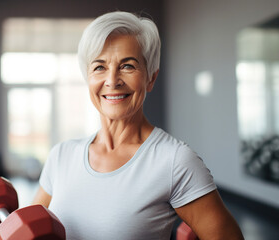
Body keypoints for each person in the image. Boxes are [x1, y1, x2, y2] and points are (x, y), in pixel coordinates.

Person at [33, 11, 244, 240]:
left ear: (151, 78)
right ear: (88, 78)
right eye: (99, 67)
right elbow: (28, 230)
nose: (112, 81)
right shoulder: (61, 156)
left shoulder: (174, 161)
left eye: (128, 66)